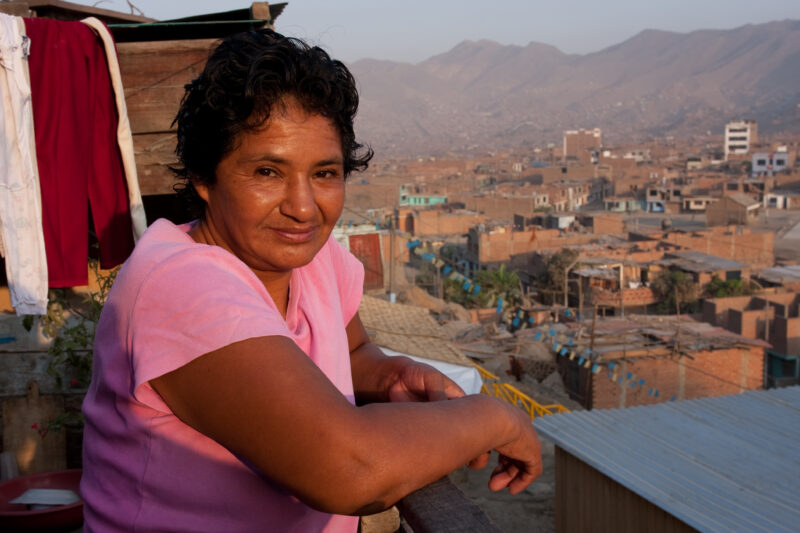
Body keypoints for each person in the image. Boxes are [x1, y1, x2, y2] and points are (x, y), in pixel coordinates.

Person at [80, 29, 542, 532]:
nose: (303, 207)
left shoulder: (309, 260)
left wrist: (391, 376)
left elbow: (352, 350)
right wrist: (496, 418)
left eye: (324, 173)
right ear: (203, 177)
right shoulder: (181, 285)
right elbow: (350, 470)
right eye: (266, 172)